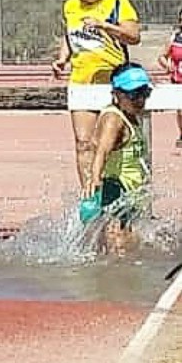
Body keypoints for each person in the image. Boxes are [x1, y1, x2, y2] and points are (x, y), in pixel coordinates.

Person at [52, 0, 141, 189]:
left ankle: (120, 191)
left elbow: (134, 36)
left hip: (114, 84)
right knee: (84, 143)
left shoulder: (116, 1)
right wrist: (62, 59)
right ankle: (90, 195)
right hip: (81, 82)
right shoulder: (71, 6)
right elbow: (69, 36)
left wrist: (105, 26)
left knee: (110, 143)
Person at [80, 63, 153, 254]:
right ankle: (113, 277)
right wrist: (95, 179)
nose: (140, 100)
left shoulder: (130, 114)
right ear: (117, 94)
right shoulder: (114, 119)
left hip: (130, 190)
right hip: (116, 187)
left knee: (127, 237)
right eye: (134, 94)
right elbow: (102, 151)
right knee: (118, 239)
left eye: (145, 93)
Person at [157, 7, 182, 148]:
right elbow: (161, 56)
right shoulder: (174, 38)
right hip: (178, 80)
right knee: (181, 110)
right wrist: (168, 66)